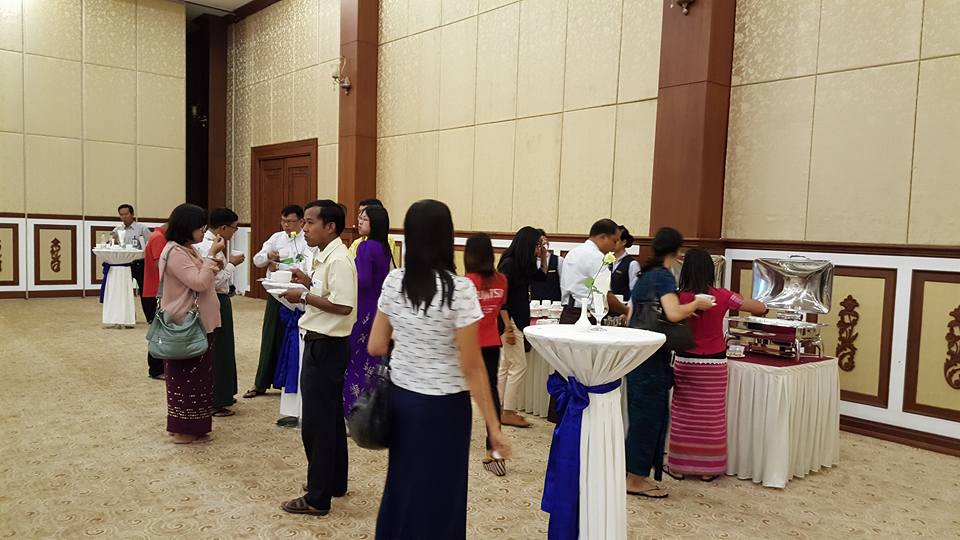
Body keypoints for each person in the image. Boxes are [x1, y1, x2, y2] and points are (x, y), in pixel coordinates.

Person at [367, 200, 510, 539]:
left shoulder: (395, 281)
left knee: (403, 481)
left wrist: (410, 341)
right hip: (445, 407)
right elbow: (472, 366)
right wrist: (494, 427)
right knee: (443, 490)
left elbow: (375, 345)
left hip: (403, 399)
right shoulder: (459, 290)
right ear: (447, 237)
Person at [280, 200, 357, 516]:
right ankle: (334, 482)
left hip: (326, 345)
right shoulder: (325, 256)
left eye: (310, 222)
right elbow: (329, 294)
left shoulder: (339, 260)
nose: (304, 228)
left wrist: (304, 296)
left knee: (316, 423)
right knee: (330, 419)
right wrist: (308, 282)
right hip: (323, 342)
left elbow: (344, 306)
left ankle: (317, 497)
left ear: (330, 227)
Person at [624, 227, 713, 498]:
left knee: (639, 415)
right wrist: (696, 304)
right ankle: (635, 478)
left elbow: (629, 315)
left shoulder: (643, 276)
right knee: (649, 418)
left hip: (637, 354)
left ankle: (632, 473)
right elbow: (673, 314)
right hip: (652, 357)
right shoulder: (663, 276)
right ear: (677, 251)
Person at [666, 249, 767, 482]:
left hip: (686, 361)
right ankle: (708, 468)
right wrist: (763, 305)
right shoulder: (723, 296)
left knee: (683, 415)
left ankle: (678, 466)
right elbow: (758, 308)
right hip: (714, 363)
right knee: (712, 416)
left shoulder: (679, 298)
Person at [159, 204, 223, 444]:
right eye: (200, 227)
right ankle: (182, 429)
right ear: (187, 227)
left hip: (201, 322)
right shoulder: (175, 252)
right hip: (186, 322)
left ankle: (197, 426)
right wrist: (211, 256)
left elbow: (204, 278)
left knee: (200, 379)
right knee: (185, 379)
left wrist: (211, 262)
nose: (203, 231)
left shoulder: (188, 249)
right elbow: (198, 283)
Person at [245, 204, 309, 407]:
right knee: (270, 337)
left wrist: (285, 263)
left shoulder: (307, 240)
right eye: (283, 221)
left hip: (297, 293)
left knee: (291, 339)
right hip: (276, 293)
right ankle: (261, 382)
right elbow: (257, 260)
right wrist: (269, 257)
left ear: (301, 222)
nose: (286, 225)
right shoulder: (276, 238)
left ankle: (288, 382)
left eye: (290, 221)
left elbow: (305, 265)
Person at [464, 233, 511, 476]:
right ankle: (493, 450)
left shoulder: (466, 283)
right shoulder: (502, 280)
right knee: (490, 393)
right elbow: (498, 307)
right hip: (492, 342)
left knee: (461, 392)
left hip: (468, 344)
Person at [194, 208, 245, 417]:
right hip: (215, 299)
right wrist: (232, 264)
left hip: (215, 299)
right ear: (223, 227)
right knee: (219, 349)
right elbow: (214, 281)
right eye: (234, 228)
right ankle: (216, 399)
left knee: (223, 346)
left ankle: (224, 393)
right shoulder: (210, 247)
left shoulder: (207, 243)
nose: (234, 232)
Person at [344, 205, 393, 417]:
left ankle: (353, 409)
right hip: (378, 307)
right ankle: (373, 407)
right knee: (372, 360)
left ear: (375, 223)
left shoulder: (365, 247)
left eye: (364, 219)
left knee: (355, 358)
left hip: (362, 307)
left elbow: (362, 281)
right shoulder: (384, 247)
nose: (359, 222)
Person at [496, 226, 547, 428]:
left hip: (516, 320)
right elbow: (501, 299)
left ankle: (499, 406)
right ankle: (507, 411)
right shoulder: (509, 265)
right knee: (519, 366)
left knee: (506, 365)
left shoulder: (523, 264)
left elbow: (542, 276)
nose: (539, 249)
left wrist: (544, 255)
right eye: (537, 245)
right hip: (510, 321)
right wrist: (508, 328)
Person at [559, 219, 629, 324]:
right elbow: (605, 295)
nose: (614, 247)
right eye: (614, 241)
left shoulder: (573, 252)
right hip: (586, 316)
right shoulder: (596, 257)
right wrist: (627, 311)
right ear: (603, 237)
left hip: (567, 313)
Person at [113, 204, 152, 318]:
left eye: (126, 214)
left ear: (132, 214)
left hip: (140, 264)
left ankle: (150, 317)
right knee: (124, 291)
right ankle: (128, 317)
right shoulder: (117, 230)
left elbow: (150, 245)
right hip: (124, 264)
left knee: (145, 292)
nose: (124, 217)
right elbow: (113, 243)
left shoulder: (142, 228)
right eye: (121, 215)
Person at [142, 223, 167, 379]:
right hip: (156, 290)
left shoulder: (156, 235)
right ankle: (156, 368)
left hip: (155, 289)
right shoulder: (159, 238)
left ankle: (158, 367)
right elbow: (160, 264)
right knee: (159, 333)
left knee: (160, 331)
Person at [529, 230, 563, 302]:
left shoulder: (558, 260)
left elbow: (563, 284)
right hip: (534, 303)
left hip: (554, 304)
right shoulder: (530, 261)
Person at [610, 225, 641, 302]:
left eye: (616, 241)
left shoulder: (632, 264)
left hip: (623, 305)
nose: (612, 243)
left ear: (624, 242)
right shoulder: (607, 262)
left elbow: (634, 292)